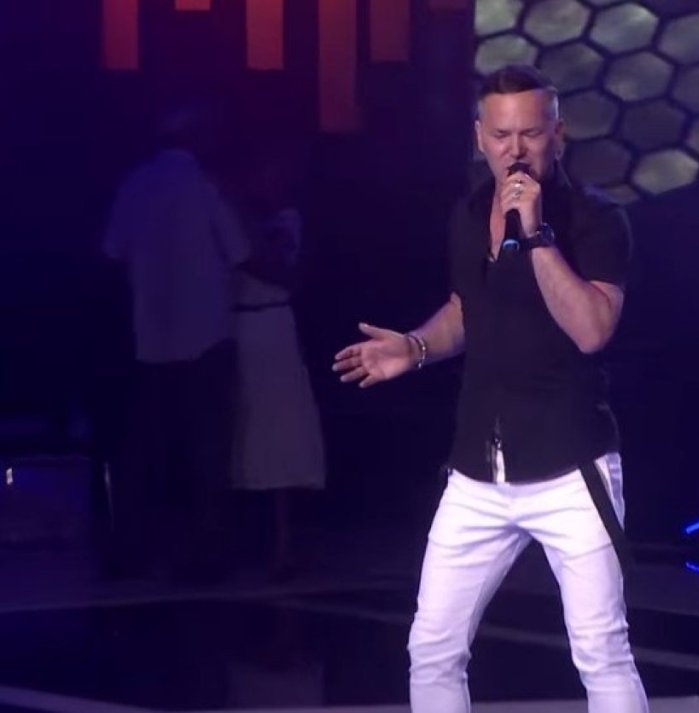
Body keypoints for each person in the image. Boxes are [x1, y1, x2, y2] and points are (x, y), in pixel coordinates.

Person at [332, 65, 648, 712]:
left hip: (570, 467)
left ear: (558, 134)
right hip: (478, 471)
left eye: (530, 133)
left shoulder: (596, 219)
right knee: (433, 647)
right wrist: (415, 347)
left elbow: (592, 330)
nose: (515, 150)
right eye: (502, 135)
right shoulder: (468, 214)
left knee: (600, 650)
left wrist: (535, 235)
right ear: (480, 137)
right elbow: (466, 310)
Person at [102, 103, 248, 582]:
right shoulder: (205, 185)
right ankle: (208, 551)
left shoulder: (136, 184)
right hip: (205, 336)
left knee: (146, 452)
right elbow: (239, 251)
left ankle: (134, 549)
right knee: (206, 450)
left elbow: (112, 252)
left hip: (149, 339)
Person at [228, 144, 326, 580]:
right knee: (247, 435)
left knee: (281, 437)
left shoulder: (285, 221)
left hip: (273, 331)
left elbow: (284, 272)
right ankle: (253, 542)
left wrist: (245, 252)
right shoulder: (233, 219)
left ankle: (285, 545)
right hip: (240, 329)